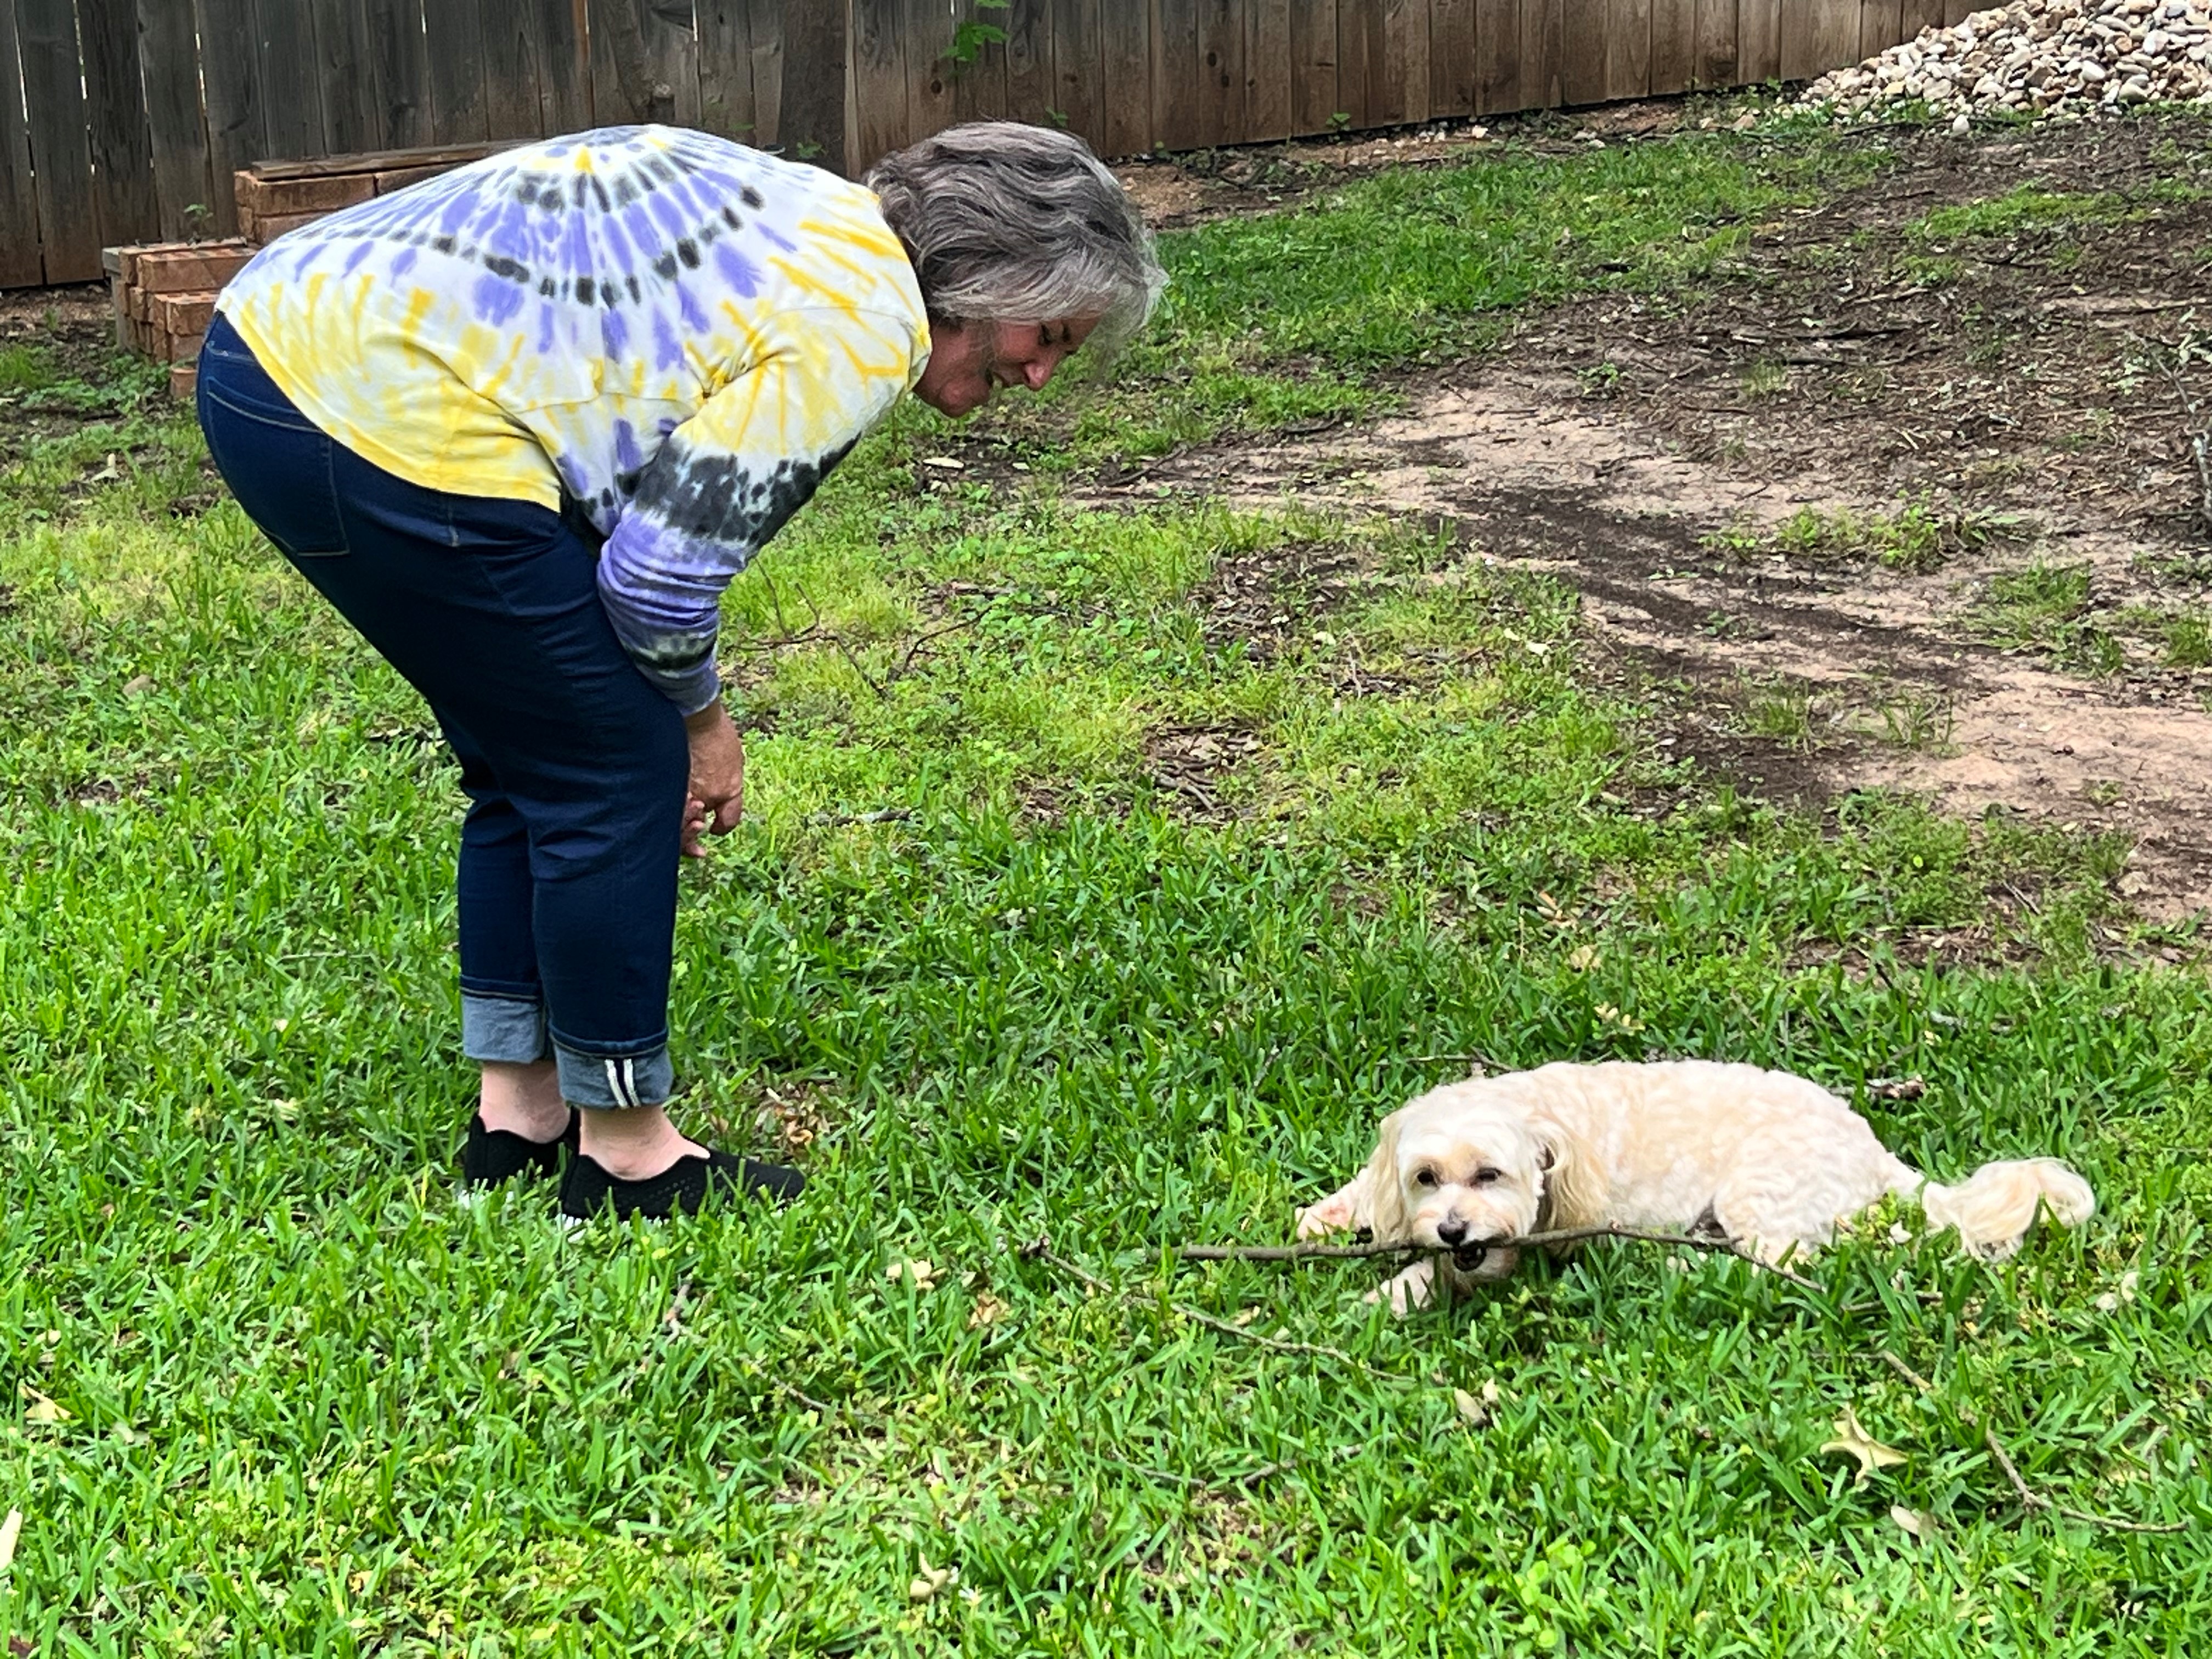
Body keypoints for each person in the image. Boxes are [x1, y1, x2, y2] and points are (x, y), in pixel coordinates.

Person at [196, 121, 1164, 1220]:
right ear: (987, 274)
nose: (1036, 376)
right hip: (369, 404)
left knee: (536, 747)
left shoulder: (818, 217)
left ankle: (519, 1119)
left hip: (266, 351)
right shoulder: (866, 319)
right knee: (615, 763)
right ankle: (626, 1157)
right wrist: (703, 726)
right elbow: (656, 581)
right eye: (1046, 336)